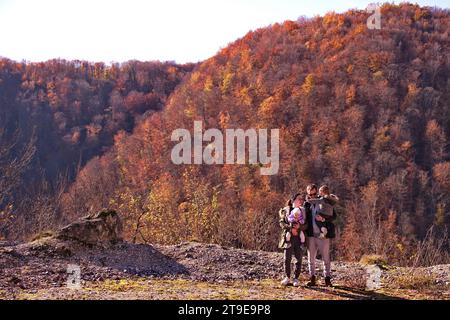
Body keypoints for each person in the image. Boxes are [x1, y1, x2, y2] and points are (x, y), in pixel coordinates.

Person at [305, 184, 337, 287]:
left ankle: (327, 279)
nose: (312, 196)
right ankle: (312, 279)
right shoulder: (307, 204)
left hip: (323, 235)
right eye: (310, 194)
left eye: (314, 194)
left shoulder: (324, 201)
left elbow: (334, 216)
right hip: (311, 235)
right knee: (311, 259)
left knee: (326, 258)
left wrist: (324, 219)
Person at [278, 193, 308, 287]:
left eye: (301, 199)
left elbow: (307, 225)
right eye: (298, 199)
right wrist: (291, 229)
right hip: (289, 237)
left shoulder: (303, 211)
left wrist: (299, 227)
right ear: (293, 200)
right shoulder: (285, 209)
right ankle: (287, 277)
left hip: (299, 238)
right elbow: (281, 223)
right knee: (287, 258)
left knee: (298, 259)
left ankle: (296, 278)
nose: (300, 201)